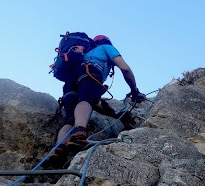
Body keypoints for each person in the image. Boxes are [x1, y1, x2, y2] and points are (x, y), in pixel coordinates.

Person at [45, 35, 146, 167]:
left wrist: (114, 114)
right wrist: (134, 91)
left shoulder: (85, 53)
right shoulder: (107, 48)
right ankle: (78, 134)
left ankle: (57, 149)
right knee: (85, 98)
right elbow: (125, 69)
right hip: (90, 71)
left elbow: (94, 103)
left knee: (70, 118)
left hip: (70, 82)